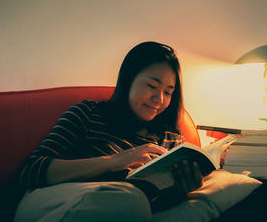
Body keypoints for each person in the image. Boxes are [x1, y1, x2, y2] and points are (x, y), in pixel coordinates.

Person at [14, 41, 204, 221]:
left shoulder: (170, 139)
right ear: (128, 79)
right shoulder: (87, 113)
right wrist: (116, 160)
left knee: (227, 185)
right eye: (152, 86)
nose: (159, 99)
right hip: (57, 199)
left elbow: (153, 204)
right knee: (130, 200)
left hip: (124, 210)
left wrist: (179, 192)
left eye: (168, 92)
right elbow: (31, 171)